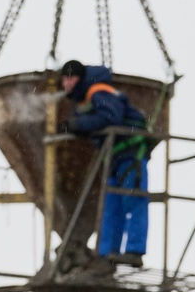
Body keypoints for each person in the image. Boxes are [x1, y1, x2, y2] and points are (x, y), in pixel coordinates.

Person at [58, 60, 150, 267]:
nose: (66, 83)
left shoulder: (98, 91)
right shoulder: (82, 101)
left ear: (80, 78)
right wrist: (72, 126)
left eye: (71, 78)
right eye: (64, 79)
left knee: (134, 200)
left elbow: (111, 117)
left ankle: (134, 251)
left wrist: (78, 124)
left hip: (131, 152)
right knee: (110, 207)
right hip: (113, 157)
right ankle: (107, 254)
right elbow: (92, 124)